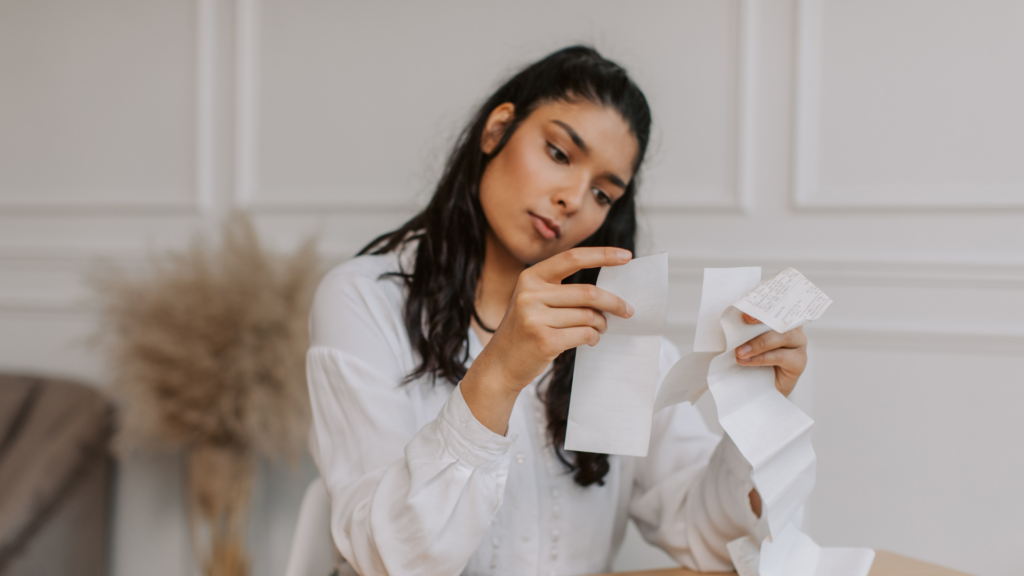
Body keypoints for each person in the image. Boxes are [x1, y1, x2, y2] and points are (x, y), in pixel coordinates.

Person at [306, 46, 808, 576]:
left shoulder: (616, 335)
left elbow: (715, 543)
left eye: (603, 194)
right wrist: (499, 375)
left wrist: (756, 407)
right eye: (559, 154)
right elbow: (387, 560)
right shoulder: (362, 301)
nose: (573, 198)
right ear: (497, 129)